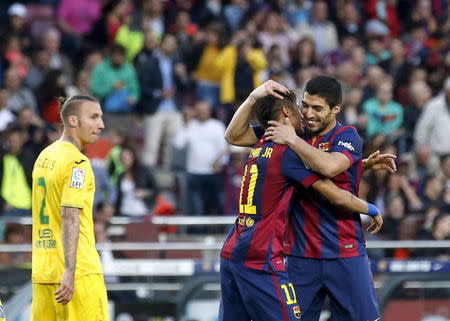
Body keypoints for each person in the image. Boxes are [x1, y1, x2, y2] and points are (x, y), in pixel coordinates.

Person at [225, 78, 396, 321]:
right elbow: (234, 136)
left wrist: (358, 165)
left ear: (335, 109)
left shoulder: (346, 135)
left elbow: (328, 167)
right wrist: (253, 98)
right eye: (305, 105)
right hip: (300, 256)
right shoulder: (294, 131)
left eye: (317, 108)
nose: (307, 114)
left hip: (344, 252)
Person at [31, 95, 109, 321]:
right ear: (73, 121)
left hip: (43, 272)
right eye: (94, 117)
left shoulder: (44, 156)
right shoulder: (78, 163)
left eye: (101, 117)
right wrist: (70, 271)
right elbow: (69, 215)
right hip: (77, 275)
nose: (101, 125)